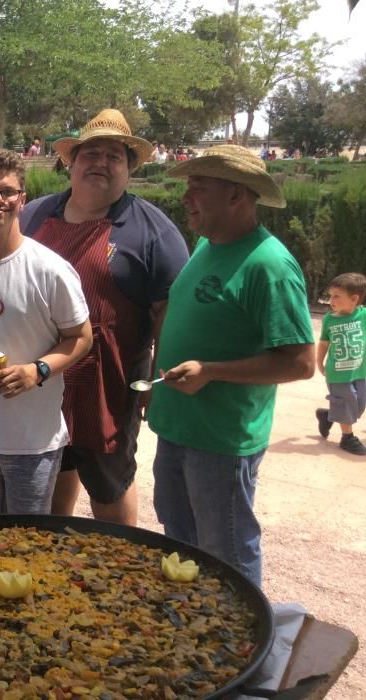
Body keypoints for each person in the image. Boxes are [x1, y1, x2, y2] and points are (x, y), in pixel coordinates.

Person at [148, 144, 315, 585]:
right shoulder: (205, 246)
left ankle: (244, 649)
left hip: (221, 440)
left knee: (226, 551)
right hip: (178, 426)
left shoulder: (270, 265)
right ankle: (191, 638)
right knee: (179, 546)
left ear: (237, 195)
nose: (186, 198)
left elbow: (300, 363)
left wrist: (212, 371)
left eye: (198, 188)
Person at [21, 108, 189, 526]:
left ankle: (119, 567)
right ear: (71, 163)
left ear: (129, 168)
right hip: (42, 374)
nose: (100, 163)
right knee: (54, 468)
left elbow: (170, 309)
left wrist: (157, 380)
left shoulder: (154, 231)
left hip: (109, 381)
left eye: (114, 156)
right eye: (90, 153)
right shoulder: (35, 217)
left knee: (109, 481)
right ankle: (55, 550)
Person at [0, 148, 92, 515]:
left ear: (22, 199)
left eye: (7, 192)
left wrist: (36, 371)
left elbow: (82, 337)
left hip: (33, 441)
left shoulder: (50, 270)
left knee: (25, 549)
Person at [316, 273, 366, 455]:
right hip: (337, 373)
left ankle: (328, 416)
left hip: (361, 371)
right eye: (330, 295)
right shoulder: (329, 319)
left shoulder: (363, 315)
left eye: (337, 296)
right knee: (347, 401)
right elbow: (323, 343)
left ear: (354, 299)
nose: (331, 300)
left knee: (359, 404)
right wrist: (319, 362)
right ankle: (347, 438)